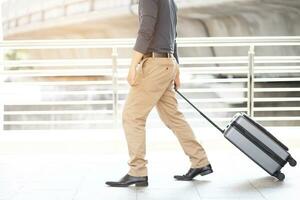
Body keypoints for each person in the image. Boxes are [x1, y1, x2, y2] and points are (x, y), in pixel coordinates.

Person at [105, 0, 212, 187]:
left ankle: (137, 171)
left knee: (132, 116)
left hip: (154, 65)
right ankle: (200, 161)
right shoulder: (170, 2)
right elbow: (173, 37)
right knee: (174, 117)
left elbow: (146, 30)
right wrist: (176, 69)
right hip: (167, 63)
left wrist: (132, 66)